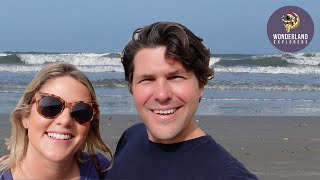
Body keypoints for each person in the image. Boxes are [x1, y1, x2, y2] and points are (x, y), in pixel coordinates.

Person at [106, 22, 258, 179]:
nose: (162, 94)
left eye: (175, 77)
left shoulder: (228, 175)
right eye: (147, 79)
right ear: (132, 87)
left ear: (201, 85)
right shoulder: (131, 136)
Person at [0, 62, 112, 179]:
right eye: (50, 106)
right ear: (25, 116)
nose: (65, 120)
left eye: (81, 111)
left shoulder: (102, 170)